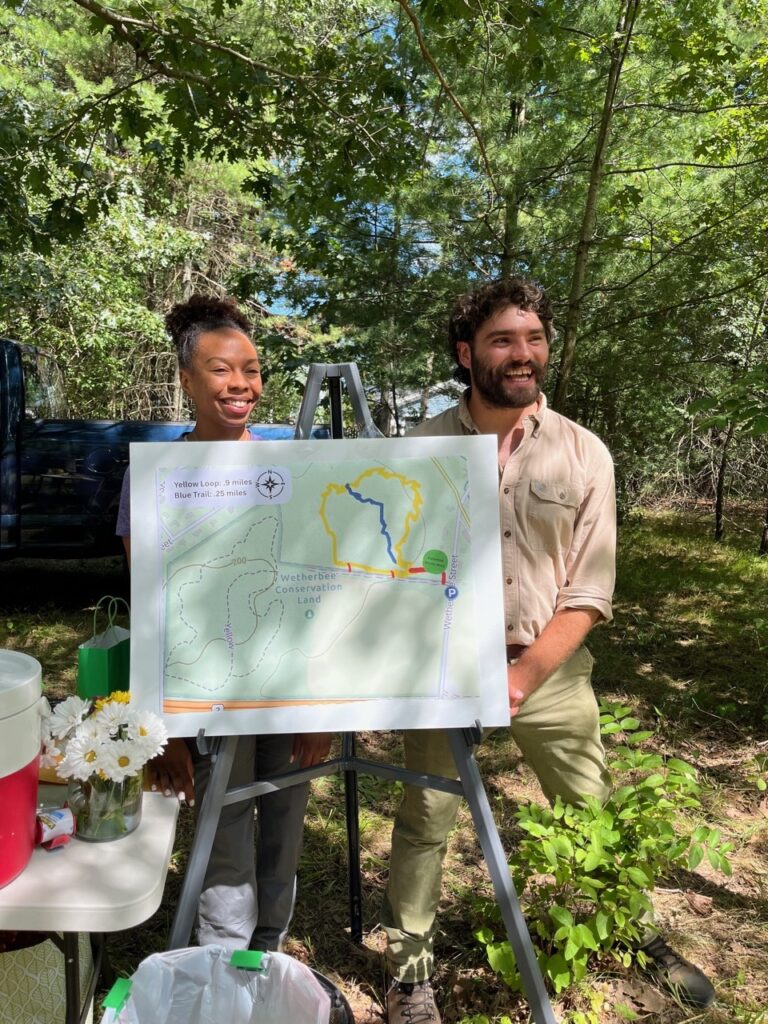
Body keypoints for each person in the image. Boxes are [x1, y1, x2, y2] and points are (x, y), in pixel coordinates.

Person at [381, 277, 715, 1023]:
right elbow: (383, 572)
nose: (523, 354)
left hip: (552, 665)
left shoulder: (583, 452)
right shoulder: (414, 449)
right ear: (467, 354)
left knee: (589, 805)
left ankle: (635, 935)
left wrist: (524, 675)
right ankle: (411, 970)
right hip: (442, 670)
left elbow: (590, 590)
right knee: (426, 818)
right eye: (504, 340)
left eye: (534, 339)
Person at [117, 293, 330, 952]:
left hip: (291, 695)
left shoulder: (296, 467)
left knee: (284, 828)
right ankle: (221, 967)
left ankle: (265, 957)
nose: (242, 385)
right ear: (186, 379)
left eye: (253, 369)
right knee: (225, 835)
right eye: (221, 370)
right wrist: (166, 730)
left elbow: (327, 592)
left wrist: (326, 707)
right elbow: (151, 608)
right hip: (208, 698)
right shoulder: (154, 480)